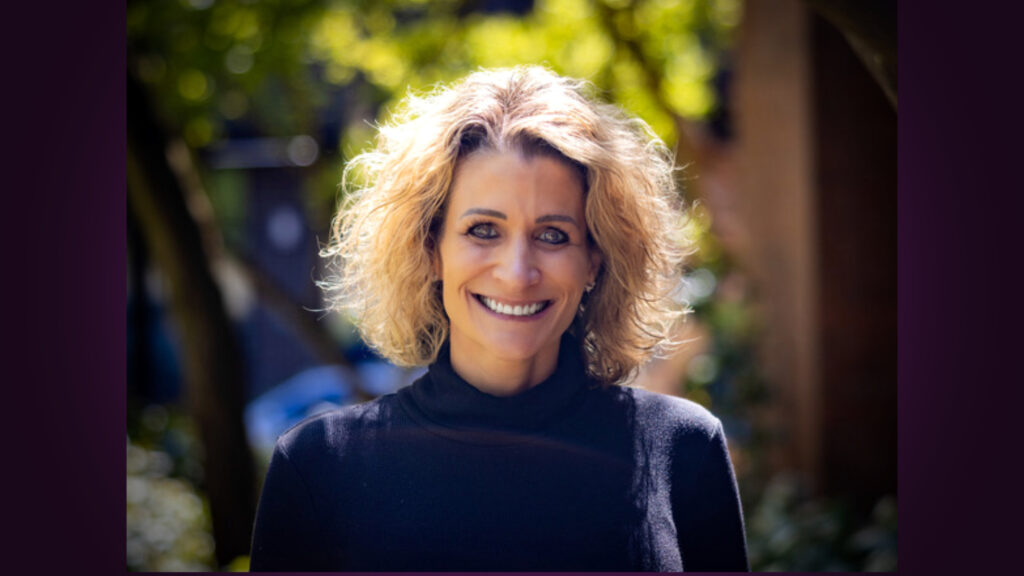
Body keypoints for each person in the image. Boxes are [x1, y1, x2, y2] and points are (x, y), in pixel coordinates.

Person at [249, 66, 749, 572]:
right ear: (431, 249)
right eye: (484, 230)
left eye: (553, 235)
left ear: (595, 260)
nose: (517, 273)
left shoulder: (683, 448)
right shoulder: (318, 466)